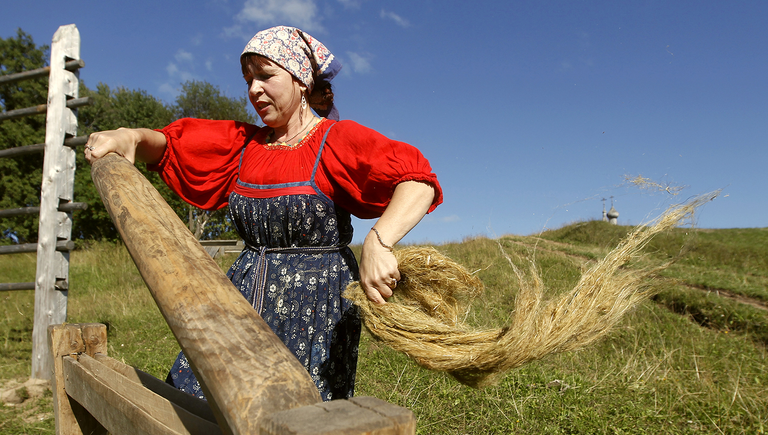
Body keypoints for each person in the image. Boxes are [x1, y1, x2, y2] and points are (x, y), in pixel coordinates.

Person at [84, 25, 442, 401]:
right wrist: (133, 136)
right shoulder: (243, 145)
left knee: (292, 408)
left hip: (315, 305)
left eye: (266, 76)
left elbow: (418, 180)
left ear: (301, 80)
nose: (254, 89)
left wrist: (379, 242)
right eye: (248, 79)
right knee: (199, 397)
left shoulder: (335, 140)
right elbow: (170, 144)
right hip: (241, 294)